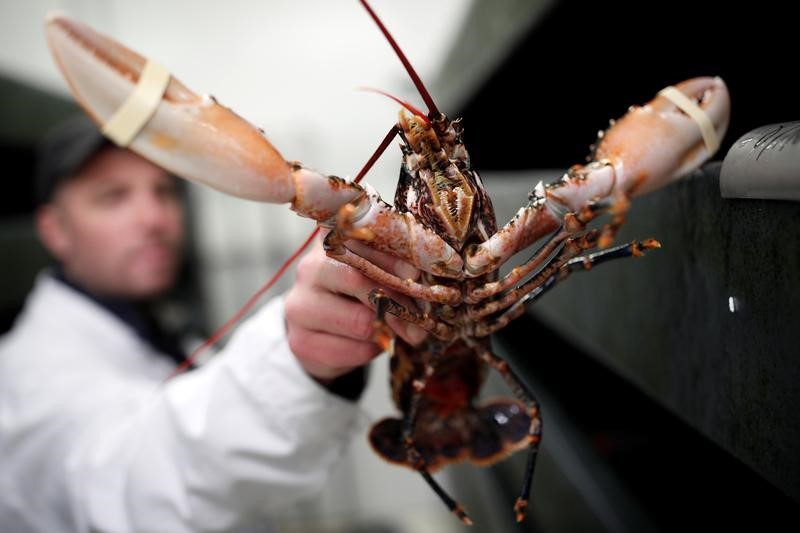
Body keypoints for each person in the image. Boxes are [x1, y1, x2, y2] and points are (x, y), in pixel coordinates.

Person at [0, 116, 426, 532]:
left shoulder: (158, 327)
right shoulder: (28, 375)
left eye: (163, 191)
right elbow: (135, 492)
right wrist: (294, 354)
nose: (154, 218)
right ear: (54, 230)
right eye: (113, 197)